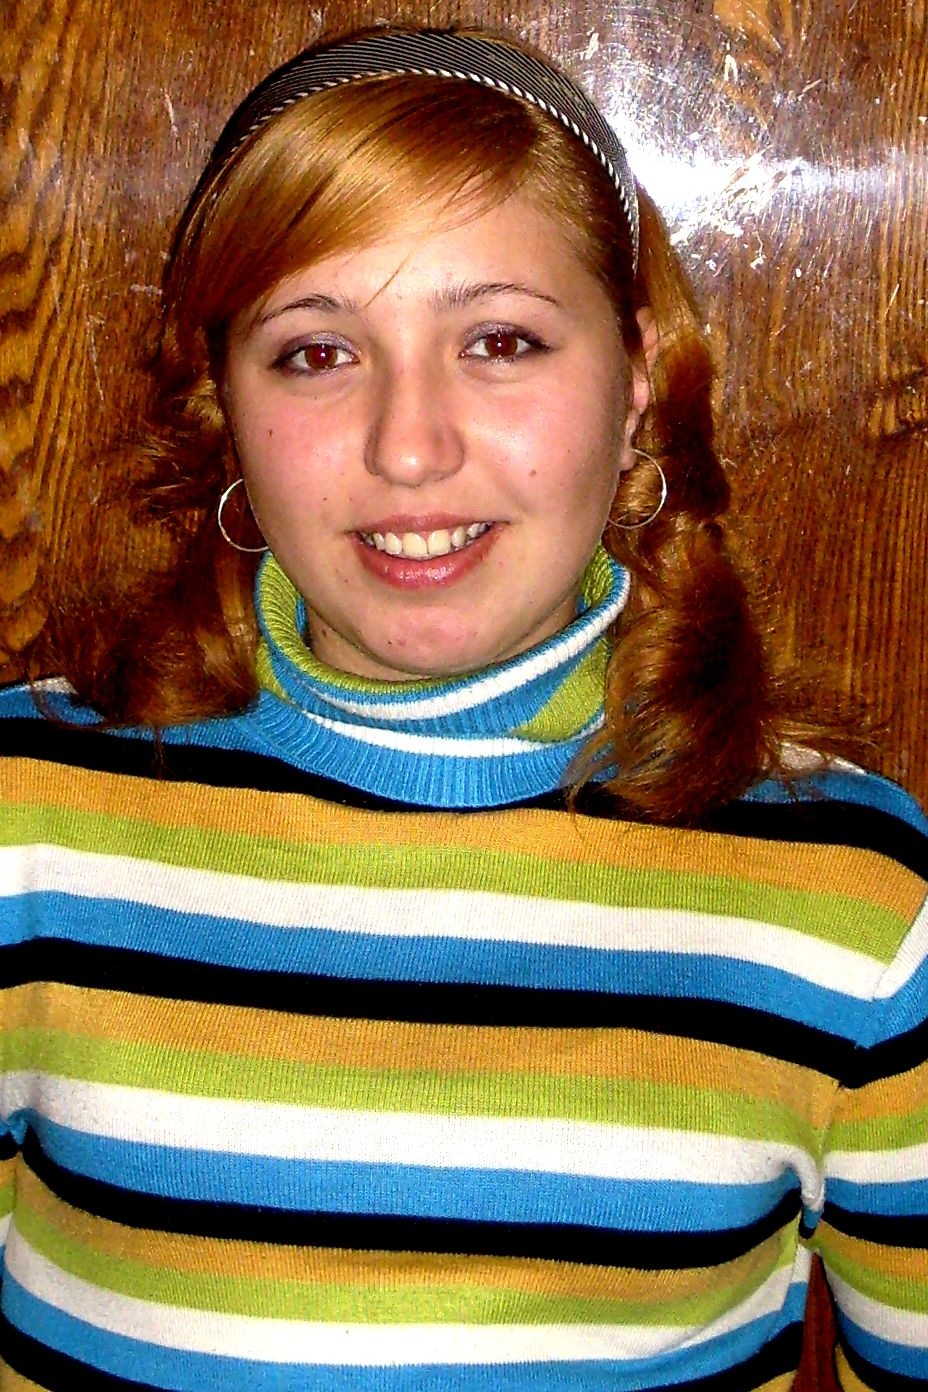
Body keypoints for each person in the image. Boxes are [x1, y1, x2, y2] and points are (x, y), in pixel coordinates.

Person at [0, 23, 925, 1392]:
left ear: (637, 382)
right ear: (222, 404)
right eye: (317, 352)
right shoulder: (30, 820)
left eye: (499, 340)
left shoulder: (852, 896)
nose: (409, 448)